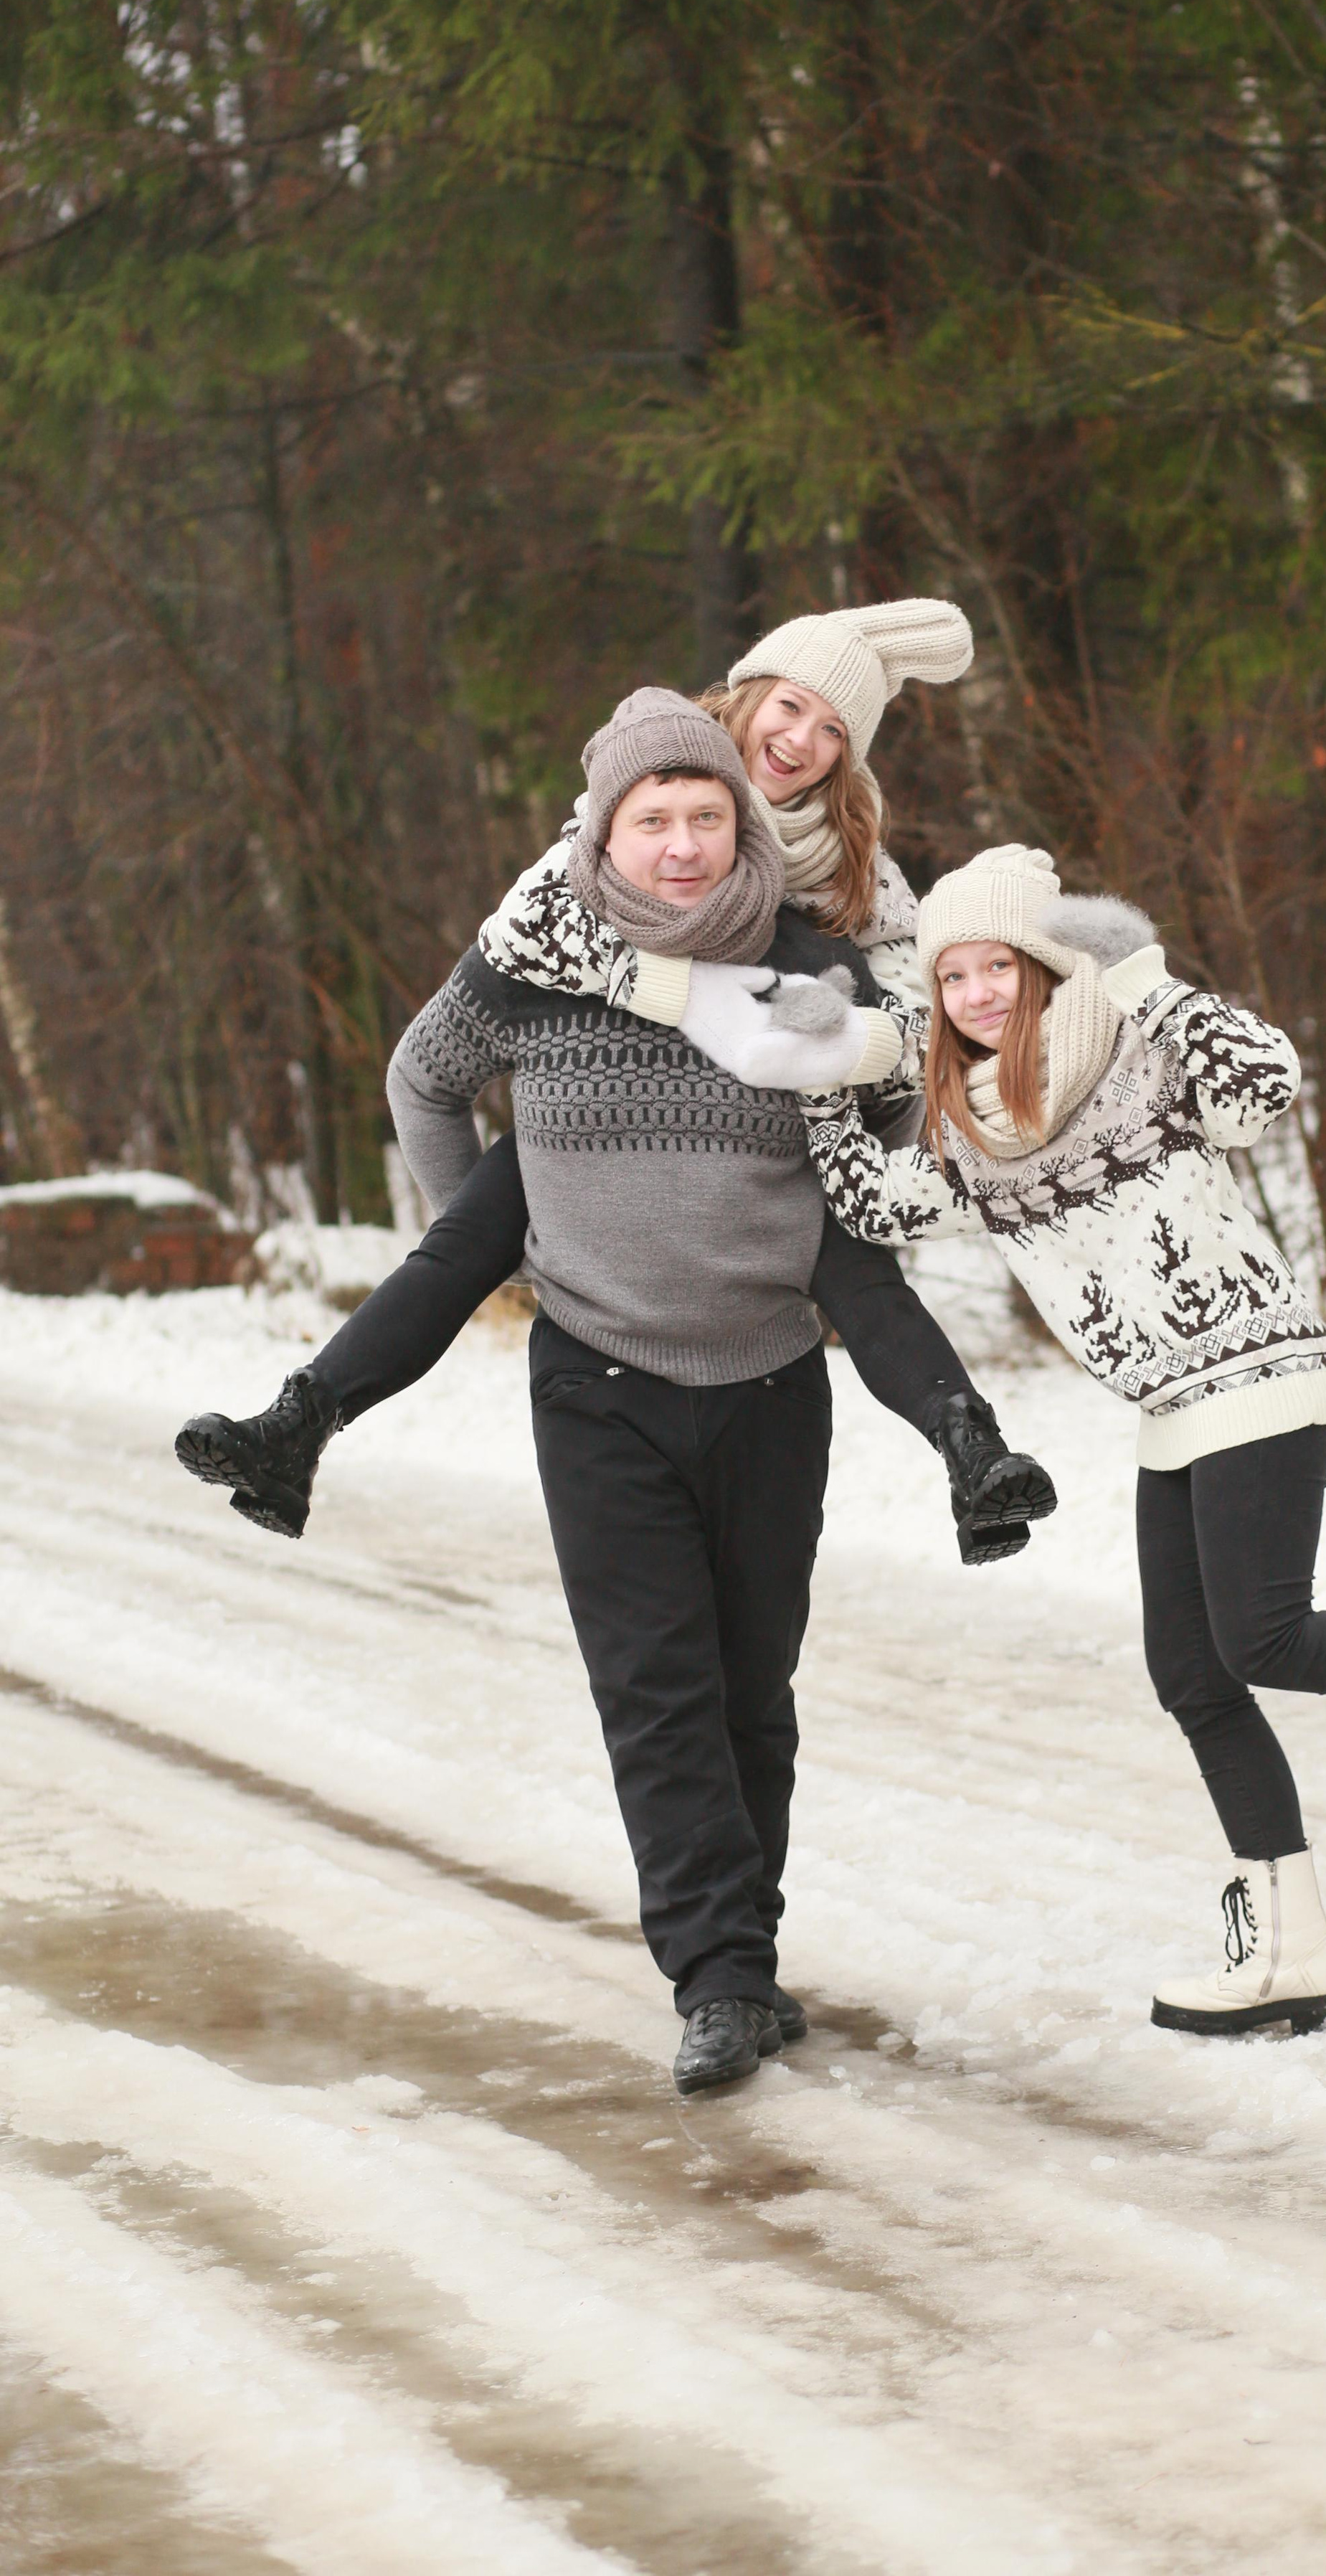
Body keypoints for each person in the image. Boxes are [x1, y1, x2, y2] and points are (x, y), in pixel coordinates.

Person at [797, 844, 1326, 2039]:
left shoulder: (1135, 1054)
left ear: (1046, 966)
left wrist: (1144, 981)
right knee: (1192, 1674)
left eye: (1002, 966)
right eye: (954, 977)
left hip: (1259, 1367)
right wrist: (824, 1076)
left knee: (1264, 1634)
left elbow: (1265, 1085)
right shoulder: (962, 1123)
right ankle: (1295, 1949)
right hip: (1171, 1408)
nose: (980, 993)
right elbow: (873, 1208)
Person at [309, 688, 932, 2094]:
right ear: (602, 830)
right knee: (658, 1691)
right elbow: (423, 1080)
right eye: (652, 818)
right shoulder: (539, 959)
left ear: (738, 828)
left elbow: (893, 1112)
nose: (680, 843)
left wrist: (842, 1236)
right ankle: (712, 1980)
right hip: (595, 1380)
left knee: (747, 1695)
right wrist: (498, 1243)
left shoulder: (806, 963)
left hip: (770, 1380)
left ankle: (743, 1957)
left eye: (705, 816)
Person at [176, 601, 1054, 1566]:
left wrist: (857, 1072)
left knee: (857, 1268)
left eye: (834, 729)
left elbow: (917, 1037)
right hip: (597, 1117)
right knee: (468, 1230)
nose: (802, 740)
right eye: (792, 706)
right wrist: (533, 1238)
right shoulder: (626, 805)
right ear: (748, 695)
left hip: (776, 1138)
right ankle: (298, 1426)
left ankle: (974, 1455)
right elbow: (509, 966)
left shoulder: (859, 876)